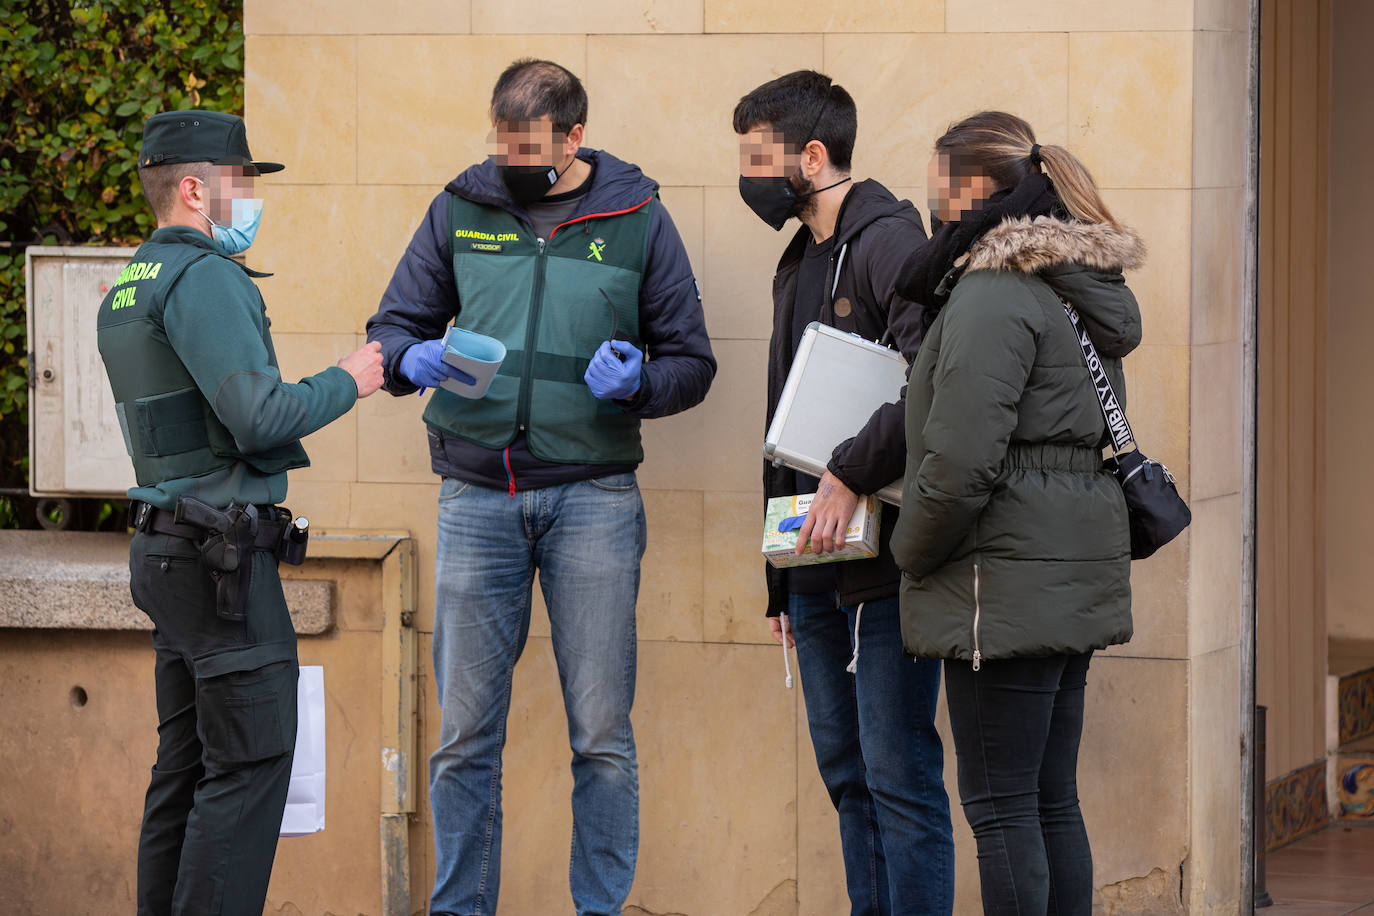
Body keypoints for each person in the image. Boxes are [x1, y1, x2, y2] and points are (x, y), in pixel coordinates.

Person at [365, 59, 715, 916]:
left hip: (593, 500)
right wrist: (409, 359)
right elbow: (396, 325)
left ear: (574, 137)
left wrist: (638, 381)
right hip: (477, 497)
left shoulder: (636, 217)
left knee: (600, 737)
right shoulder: (461, 206)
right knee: (462, 740)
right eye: (500, 143)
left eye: (528, 148)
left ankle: (598, 907)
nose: (509, 162)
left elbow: (693, 363)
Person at [96, 109, 384, 916]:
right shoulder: (206, 278)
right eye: (242, 181)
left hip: (168, 552)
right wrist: (348, 379)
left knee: (185, 769)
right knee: (250, 765)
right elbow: (256, 417)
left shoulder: (132, 282)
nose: (252, 196)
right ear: (194, 188)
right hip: (219, 562)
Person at [889, 111, 1143, 915]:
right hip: (1062, 575)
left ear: (977, 193)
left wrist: (910, 549)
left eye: (939, 189)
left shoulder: (994, 293)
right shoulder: (1072, 288)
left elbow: (960, 462)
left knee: (1003, 811)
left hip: (1001, 583)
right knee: (1048, 800)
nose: (931, 209)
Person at [733, 71, 954, 916]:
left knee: (899, 776)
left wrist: (852, 469)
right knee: (847, 776)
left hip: (889, 566)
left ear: (812, 156)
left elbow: (934, 379)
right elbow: (780, 423)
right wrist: (778, 580)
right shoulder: (800, 261)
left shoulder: (890, 240)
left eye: (758, 157)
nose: (748, 175)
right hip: (814, 565)